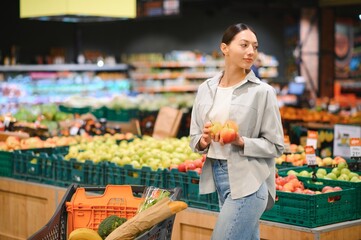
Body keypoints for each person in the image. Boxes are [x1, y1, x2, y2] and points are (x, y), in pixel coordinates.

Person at [189, 23, 284, 240]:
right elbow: (194, 137)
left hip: (249, 181)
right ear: (225, 48)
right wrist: (203, 140)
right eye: (244, 45)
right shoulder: (206, 89)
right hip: (219, 177)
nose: (251, 51)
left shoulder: (262, 92)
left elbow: (276, 146)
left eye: (255, 46)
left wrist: (241, 141)